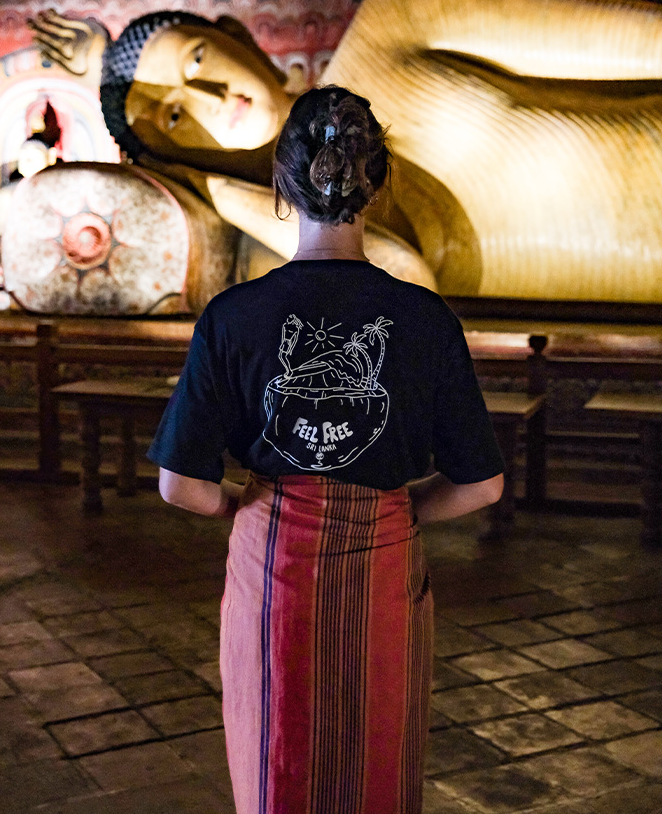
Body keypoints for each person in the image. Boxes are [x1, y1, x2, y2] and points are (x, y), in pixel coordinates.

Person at [147, 85, 505, 814]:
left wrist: (246, 505)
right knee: (378, 750)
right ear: (377, 186)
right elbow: (482, 484)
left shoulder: (235, 315)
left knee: (276, 747)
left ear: (283, 181)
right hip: (383, 559)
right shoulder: (423, 318)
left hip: (273, 559)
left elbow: (179, 484)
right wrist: (397, 509)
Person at [30, 0, 662, 306]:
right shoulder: (299, 252)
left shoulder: (401, 14)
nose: (211, 98)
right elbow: (406, 284)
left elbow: (646, 41)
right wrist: (211, 190)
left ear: (239, 34)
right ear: (175, 162)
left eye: (197, 60)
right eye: (174, 118)